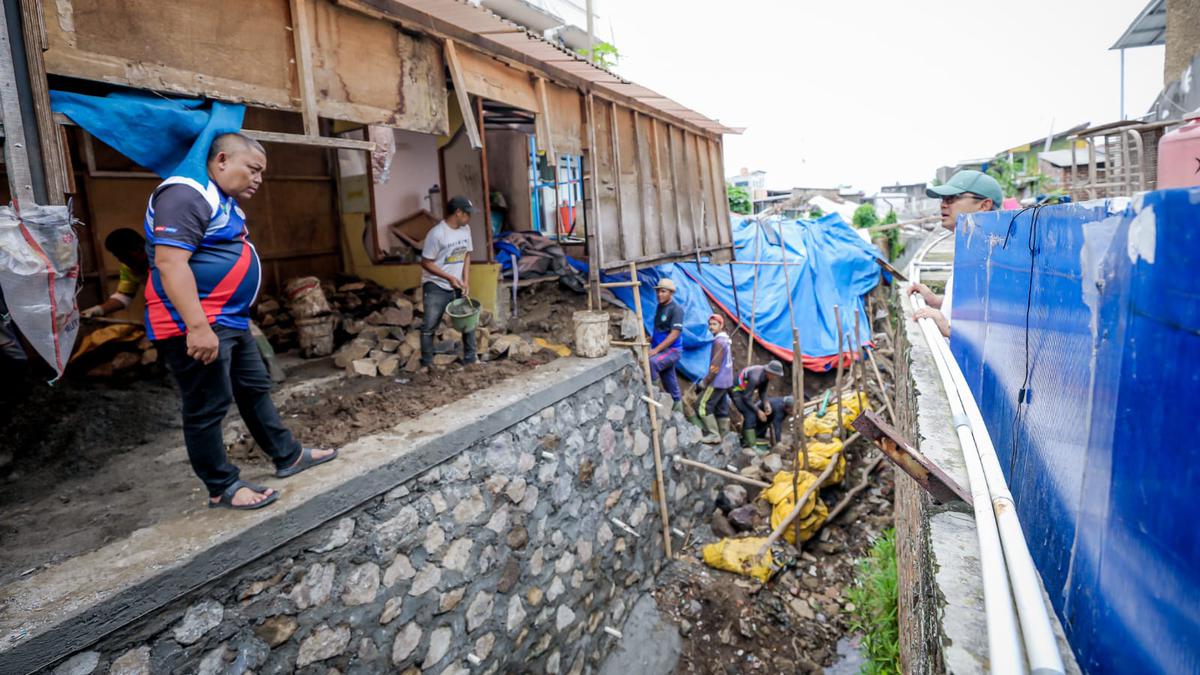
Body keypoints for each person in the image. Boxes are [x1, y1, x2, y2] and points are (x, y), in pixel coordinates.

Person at [146, 133, 337, 510]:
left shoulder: (221, 200)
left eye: (261, 173)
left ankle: (288, 455)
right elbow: (171, 263)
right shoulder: (184, 196)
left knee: (254, 386)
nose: (258, 179)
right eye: (252, 169)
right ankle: (222, 486)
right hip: (196, 321)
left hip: (229, 318)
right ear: (221, 160)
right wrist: (198, 327)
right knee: (207, 404)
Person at [908, 170, 1002, 337]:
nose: (943, 204)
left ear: (984, 205)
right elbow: (973, 309)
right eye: (943, 199)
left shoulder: (996, 257)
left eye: (952, 198)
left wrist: (948, 328)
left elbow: (999, 331)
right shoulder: (970, 248)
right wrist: (936, 301)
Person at [420, 196, 476, 367]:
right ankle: (427, 364)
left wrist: (465, 280)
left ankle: (471, 359)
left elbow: (467, 254)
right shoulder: (437, 234)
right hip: (436, 285)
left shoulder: (465, 229)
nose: (469, 218)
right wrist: (449, 277)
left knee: (468, 320)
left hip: (457, 285)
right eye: (467, 214)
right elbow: (426, 262)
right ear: (458, 213)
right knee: (430, 326)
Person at [81, 228, 149, 318]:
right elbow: (124, 296)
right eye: (118, 257)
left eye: (124, 256)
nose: (121, 261)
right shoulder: (128, 268)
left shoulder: (163, 258)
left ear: (138, 249)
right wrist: (98, 310)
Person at [694, 313, 733, 444]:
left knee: (703, 406)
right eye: (710, 324)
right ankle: (725, 434)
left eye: (714, 324)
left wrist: (705, 382)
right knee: (722, 407)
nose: (711, 327)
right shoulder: (726, 340)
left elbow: (715, 366)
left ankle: (713, 434)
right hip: (727, 381)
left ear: (721, 326)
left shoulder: (718, 341)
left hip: (717, 381)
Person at [647, 278, 684, 413]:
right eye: (658, 292)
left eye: (663, 291)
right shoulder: (660, 307)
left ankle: (654, 397)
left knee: (652, 362)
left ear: (671, 293)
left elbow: (674, 334)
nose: (659, 295)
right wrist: (652, 339)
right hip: (663, 350)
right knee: (670, 381)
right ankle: (678, 413)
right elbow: (662, 329)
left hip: (672, 350)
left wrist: (656, 350)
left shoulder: (676, 309)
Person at [732, 359, 785, 448]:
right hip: (737, 390)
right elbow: (746, 397)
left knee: (752, 414)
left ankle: (746, 440)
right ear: (769, 372)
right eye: (775, 375)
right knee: (750, 414)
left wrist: (766, 403)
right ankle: (749, 444)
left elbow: (762, 392)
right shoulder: (755, 378)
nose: (775, 378)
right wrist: (758, 411)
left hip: (745, 392)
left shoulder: (766, 376)